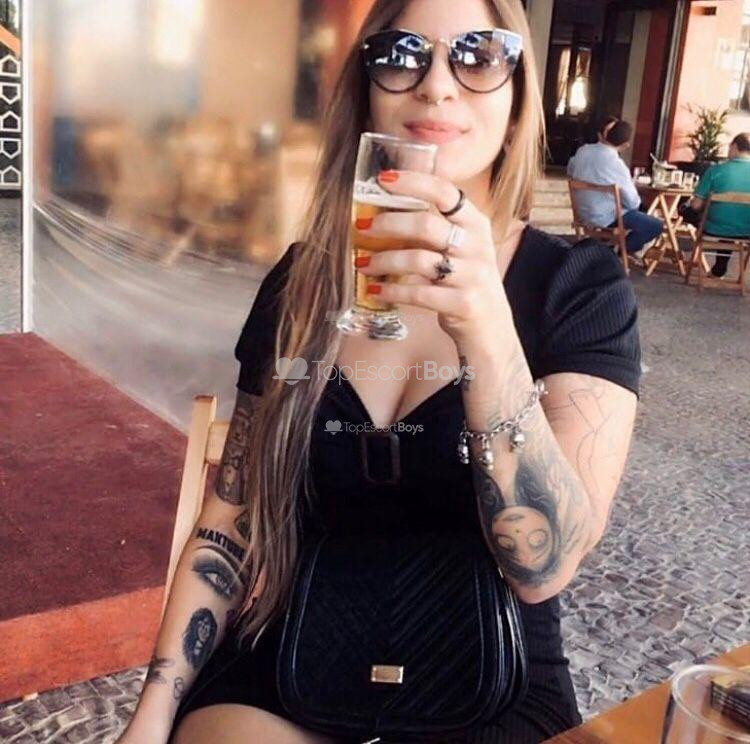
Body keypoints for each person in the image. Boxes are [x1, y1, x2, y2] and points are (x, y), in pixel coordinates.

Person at [118, 1, 641, 742]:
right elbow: (231, 518)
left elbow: (544, 569)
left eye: (479, 54)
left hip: (490, 674)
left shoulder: (577, 288)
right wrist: (152, 713)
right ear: (367, 90)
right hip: (292, 658)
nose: (436, 85)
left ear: (518, 95)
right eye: (401, 54)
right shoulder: (302, 282)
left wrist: (486, 328)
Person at [567, 118, 664, 255]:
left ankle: (607, 249)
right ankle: (612, 253)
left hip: (582, 213)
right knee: (655, 225)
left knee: (637, 216)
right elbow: (633, 202)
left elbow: (570, 171)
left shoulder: (583, 151)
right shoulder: (616, 163)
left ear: (606, 134)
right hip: (606, 217)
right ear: (625, 145)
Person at [684, 132, 750, 277]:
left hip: (715, 226)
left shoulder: (716, 170)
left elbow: (696, 205)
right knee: (731, 225)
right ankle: (719, 269)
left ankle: (675, 250)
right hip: (746, 230)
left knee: (687, 210)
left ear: (734, 146)